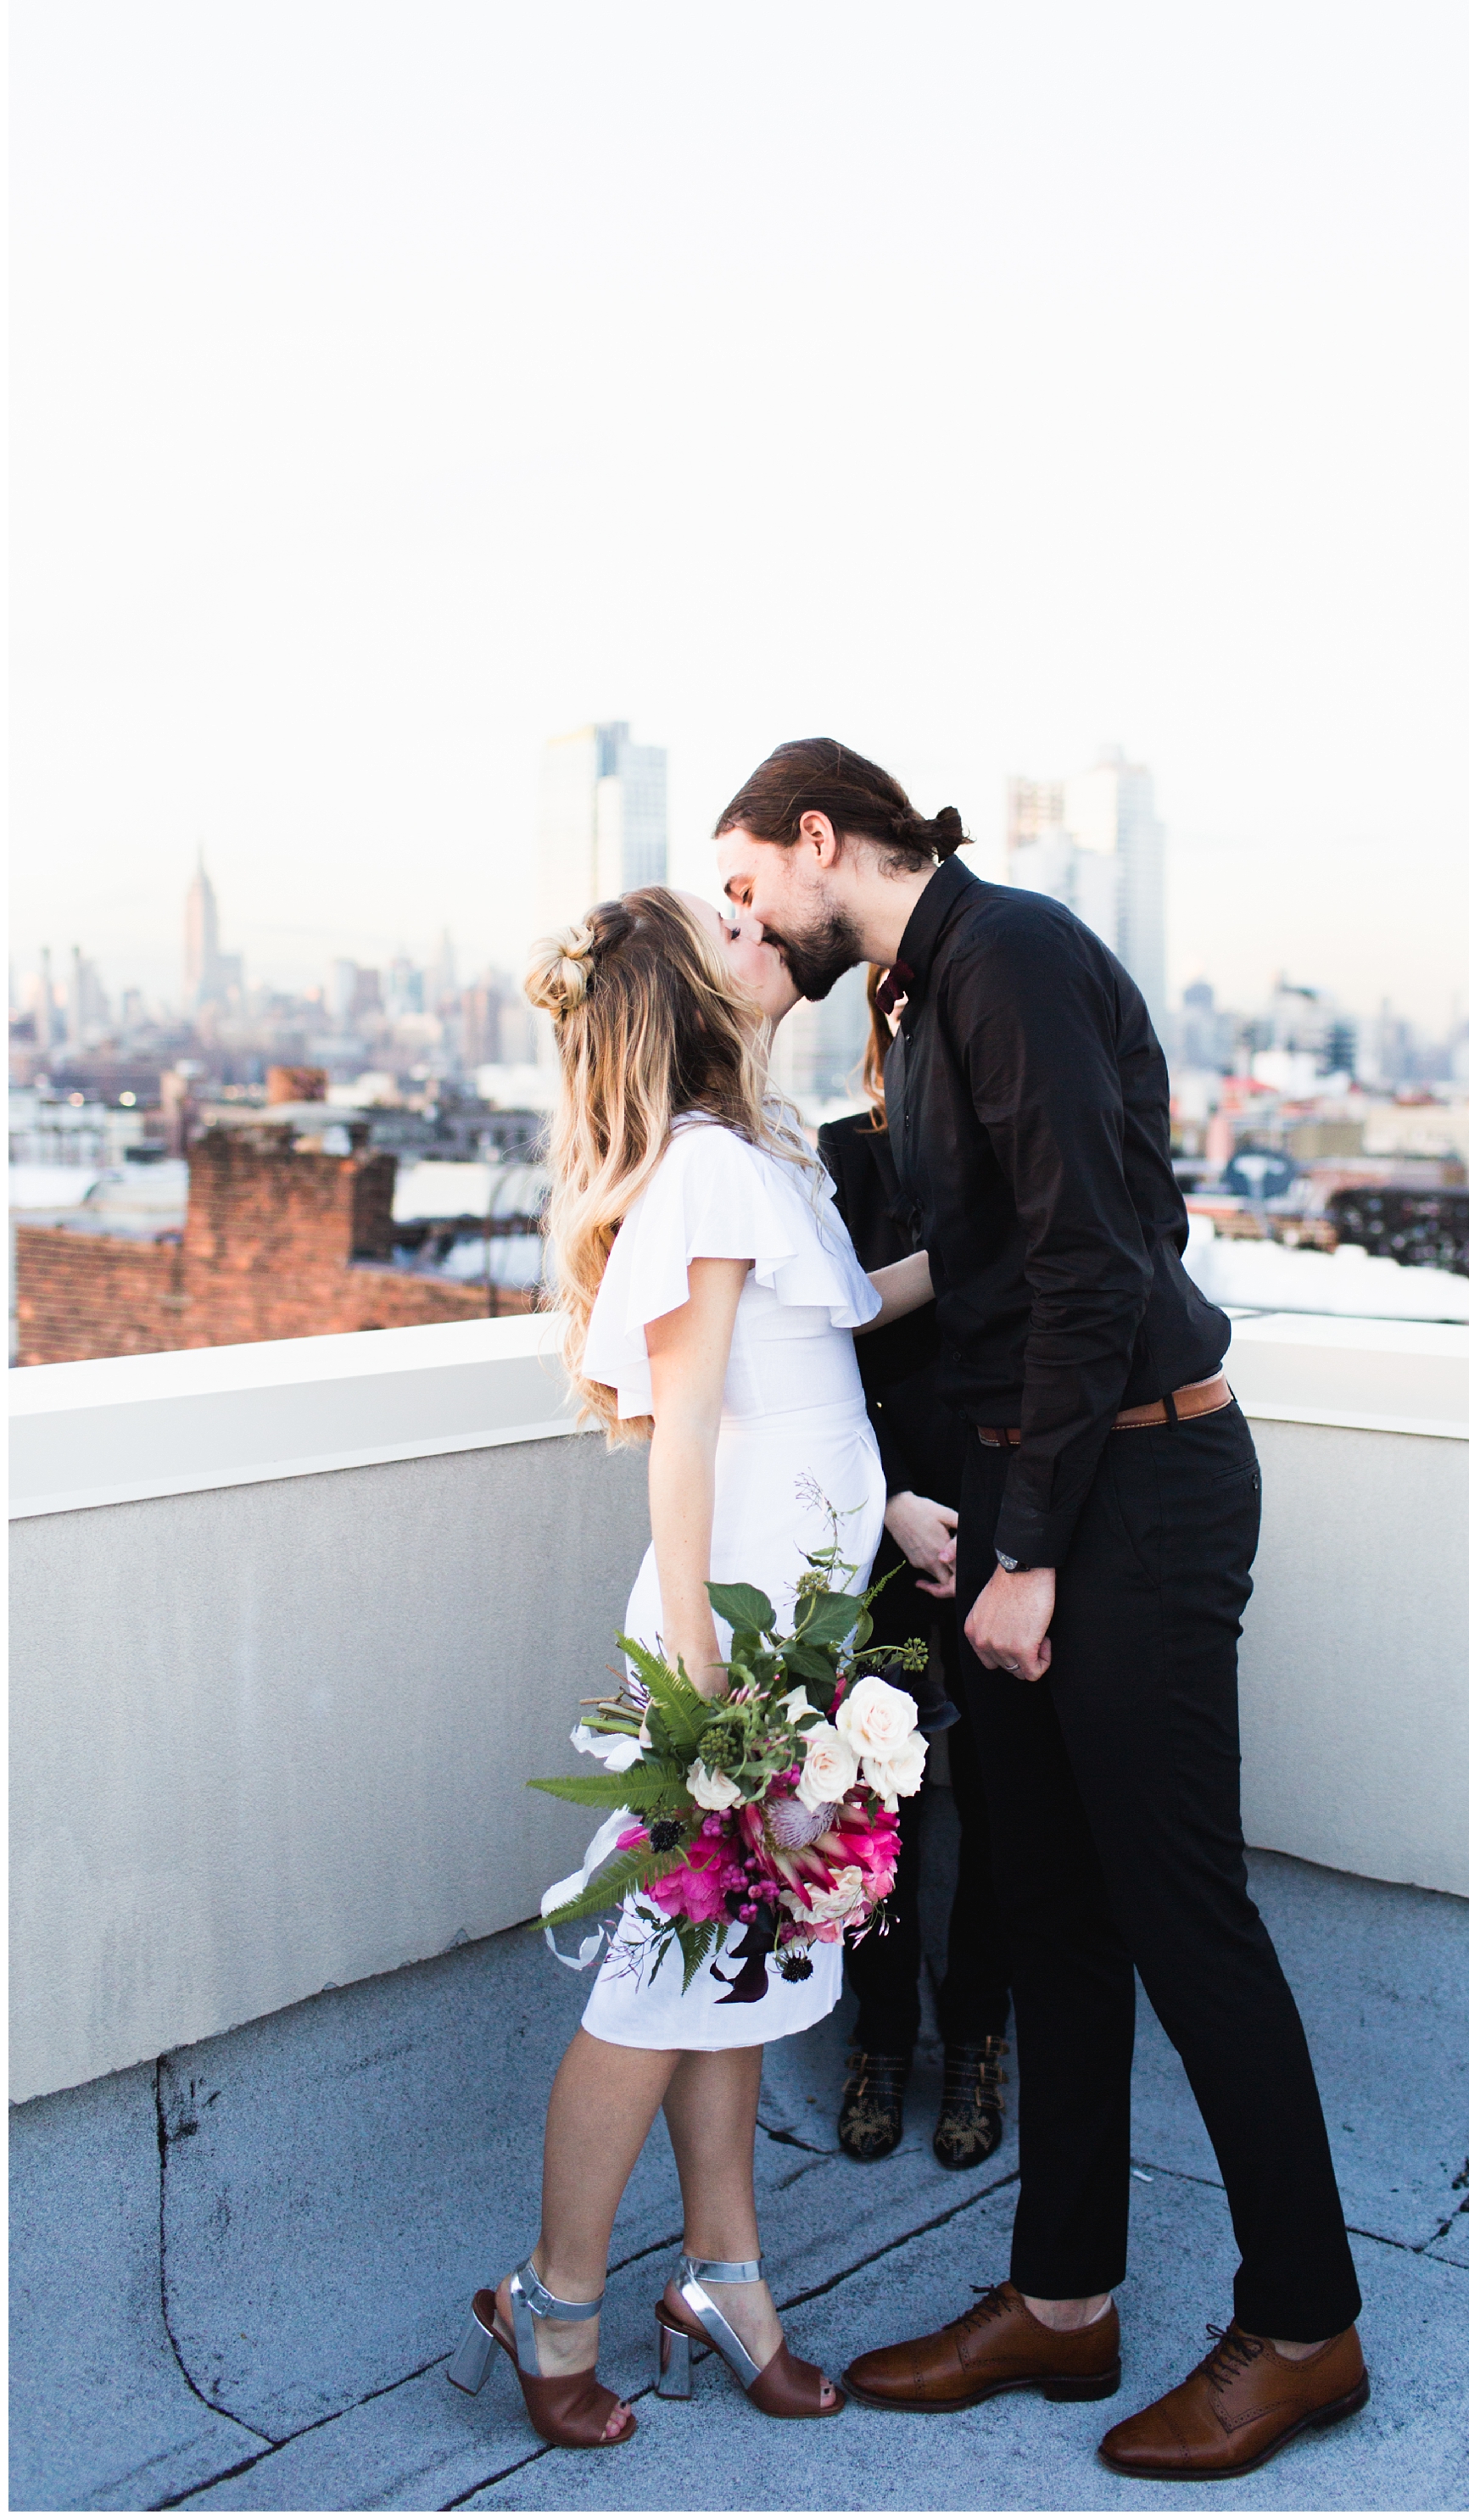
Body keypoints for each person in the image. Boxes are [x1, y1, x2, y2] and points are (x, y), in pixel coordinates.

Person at [715, 744, 1369, 2484]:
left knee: (1182, 1920)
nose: (743, 922)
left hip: (1132, 1495)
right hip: (1044, 1495)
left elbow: (1094, 1257)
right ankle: (1063, 2301)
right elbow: (995, 1263)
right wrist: (806, 1323)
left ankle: (1305, 2327)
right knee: (1059, 1919)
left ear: (814, 838)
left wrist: (1028, 1554)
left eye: (746, 889)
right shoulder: (917, 1000)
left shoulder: (1000, 956)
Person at [449, 884, 933, 2450]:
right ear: (684, 1002)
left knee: (739, 1982)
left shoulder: (762, 1162)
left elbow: (837, 1350)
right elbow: (681, 1452)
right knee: (650, 1996)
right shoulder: (708, 1175)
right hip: (722, 1664)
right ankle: (555, 2298)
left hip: (796, 1641)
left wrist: (894, 1499)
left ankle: (727, 2283)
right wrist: (720, 1703)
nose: (760, 930)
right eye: (724, 932)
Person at [817, 968, 1013, 2168]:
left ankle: (979, 2040)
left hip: (1000, 1531)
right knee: (874, 1795)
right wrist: (889, 1503)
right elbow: (815, 1351)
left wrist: (990, 1527)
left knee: (995, 1799)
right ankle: (879, 2040)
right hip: (880, 1523)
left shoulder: (1019, 1165)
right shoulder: (843, 1160)